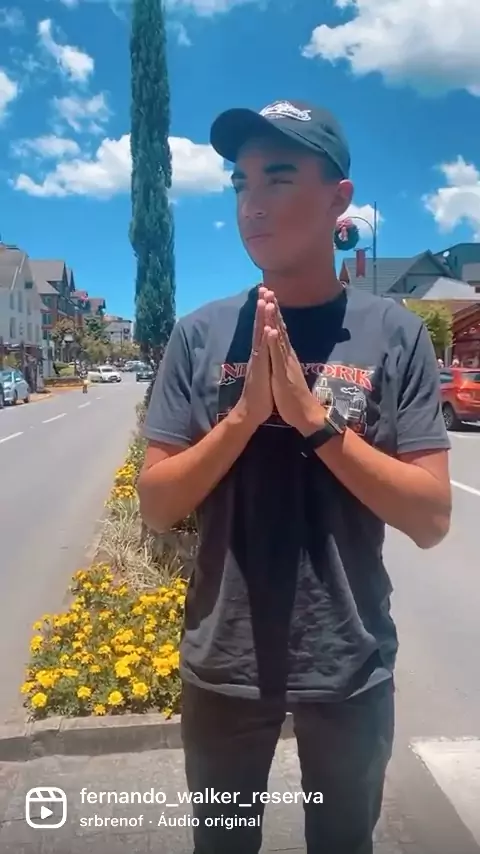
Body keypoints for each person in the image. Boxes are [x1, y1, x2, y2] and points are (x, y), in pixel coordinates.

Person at [138, 100, 452, 854]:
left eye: (278, 177)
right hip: (224, 660)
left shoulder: (394, 333)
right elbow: (157, 503)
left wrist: (313, 420)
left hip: (349, 663)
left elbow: (430, 518)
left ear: (339, 199)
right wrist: (246, 416)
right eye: (241, 182)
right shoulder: (200, 334)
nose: (252, 202)